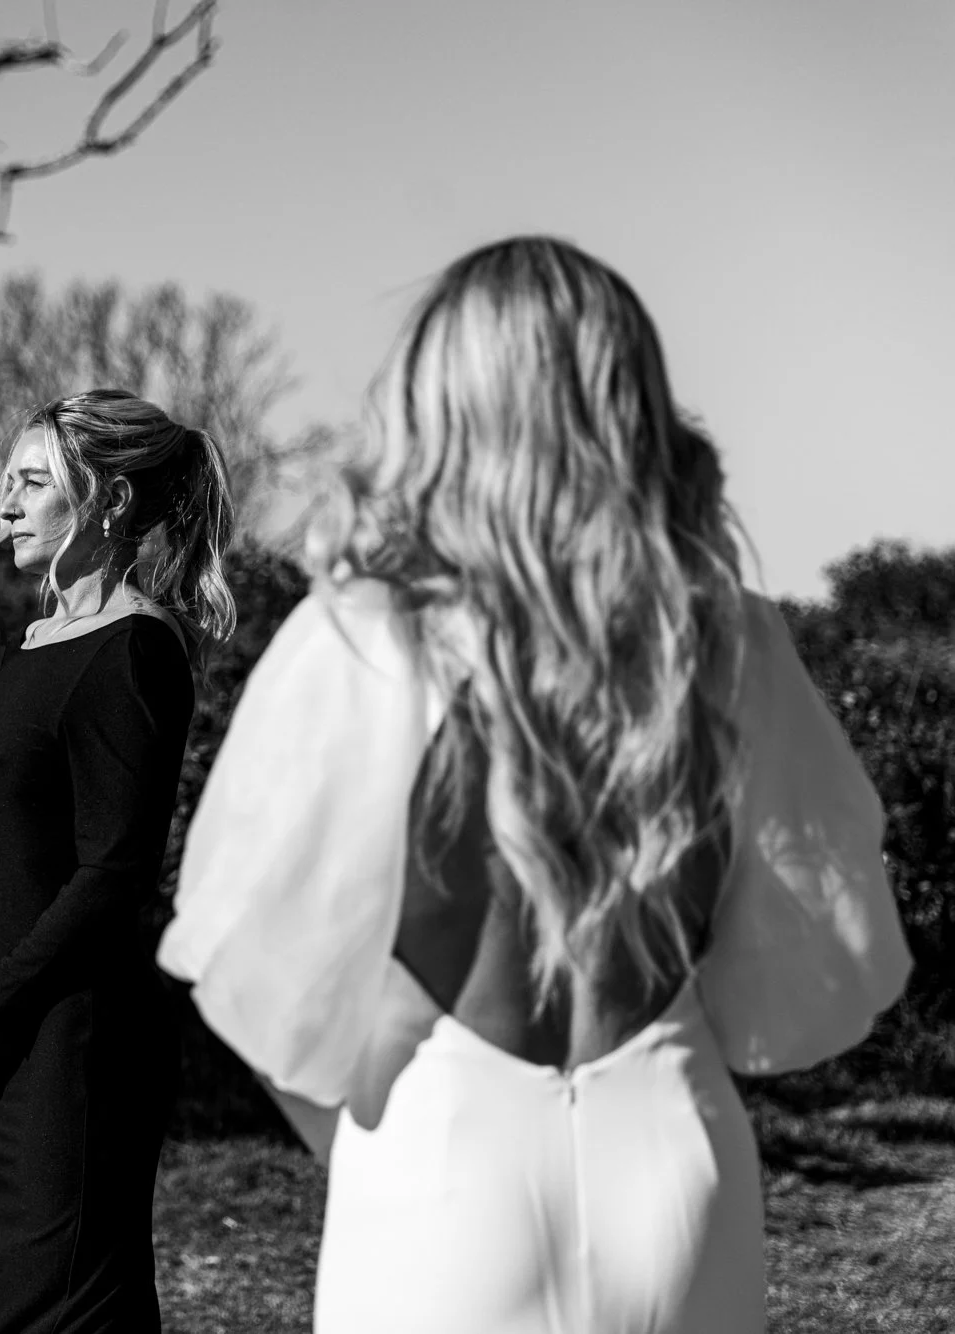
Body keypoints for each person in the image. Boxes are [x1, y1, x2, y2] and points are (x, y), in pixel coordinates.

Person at [158, 236, 912, 1334]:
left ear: (435, 405)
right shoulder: (726, 641)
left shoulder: (369, 636)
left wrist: (368, 1146)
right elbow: (825, 952)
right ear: (631, 405)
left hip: (439, 1163)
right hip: (674, 1158)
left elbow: (236, 955)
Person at [0, 388, 237, 1333]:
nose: (4, 505)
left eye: (32, 482)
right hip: (8, 1041)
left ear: (110, 502)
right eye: (6, 481)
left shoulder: (134, 651)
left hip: (74, 1049)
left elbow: (112, 874)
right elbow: (11, 856)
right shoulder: (41, 646)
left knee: (50, 1311)